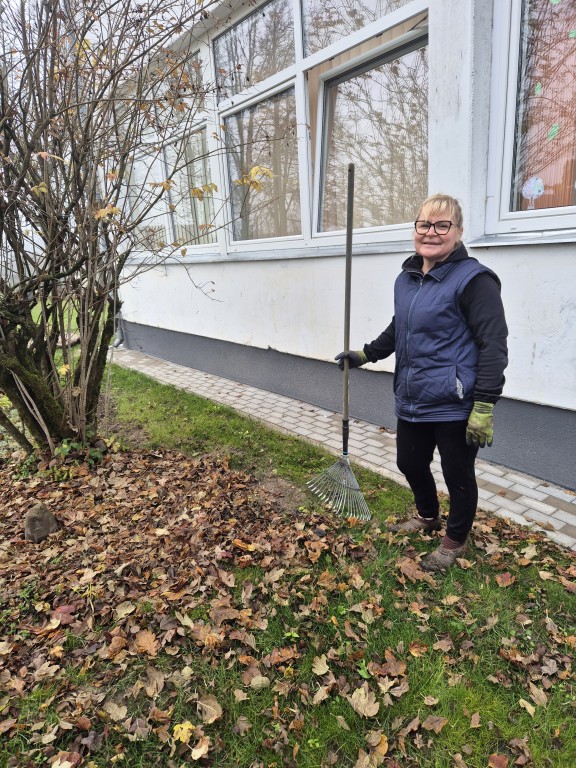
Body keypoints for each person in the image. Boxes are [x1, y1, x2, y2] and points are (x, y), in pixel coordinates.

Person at [336, 194, 508, 572]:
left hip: (455, 401)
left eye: (442, 225)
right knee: (409, 462)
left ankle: (454, 541)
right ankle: (428, 516)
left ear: (459, 232)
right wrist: (366, 354)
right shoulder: (407, 278)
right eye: (424, 224)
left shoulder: (475, 281)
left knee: (457, 476)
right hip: (413, 395)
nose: (431, 232)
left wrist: (484, 404)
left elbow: (493, 345)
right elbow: (401, 326)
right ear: (415, 230)